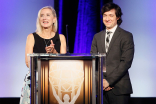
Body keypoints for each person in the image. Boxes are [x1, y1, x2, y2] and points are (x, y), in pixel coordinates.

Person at [20, 6, 66, 104]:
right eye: (42, 16)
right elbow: (28, 63)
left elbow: (64, 63)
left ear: (54, 19)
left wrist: (54, 52)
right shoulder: (31, 37)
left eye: (48, 15)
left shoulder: (61, 38)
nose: (44, 18)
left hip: (55, 82)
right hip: (35, 80)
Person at [90, 2, 134, 104]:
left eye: (111, 15)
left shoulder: (126, 36)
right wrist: (101, 82)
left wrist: (109, 81)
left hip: (119, 89)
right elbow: (94, 61)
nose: (107, 18)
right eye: (105, 15)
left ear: (118, 17)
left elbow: (126, 62)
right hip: (100, 89)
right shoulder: (97, 37)